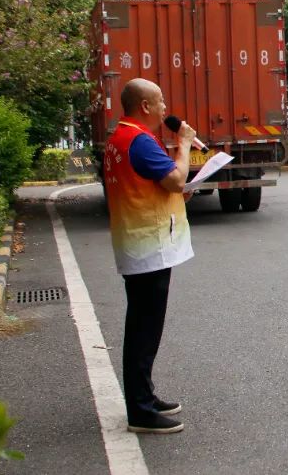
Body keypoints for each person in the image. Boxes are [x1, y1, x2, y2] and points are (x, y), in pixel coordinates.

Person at [103, 78, 195, 434]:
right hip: (147, 246)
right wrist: (183, 144)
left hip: (136, 243)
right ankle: (140, 410)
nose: (165, 108)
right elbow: (175, 179)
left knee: (143, 326)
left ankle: (145, 396)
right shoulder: (139, 140)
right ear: (144, 106)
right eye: (160, 101)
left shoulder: (120, 138)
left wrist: (175, 191)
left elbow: (150, 184)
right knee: (144, 329)